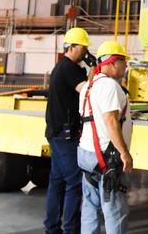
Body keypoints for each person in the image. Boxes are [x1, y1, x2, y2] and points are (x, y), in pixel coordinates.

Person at [77, 41, 134, 234]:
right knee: (115, 210)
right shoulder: (110, 86)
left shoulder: (88, 87)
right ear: (111, 62)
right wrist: (124, 153)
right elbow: (111, 122)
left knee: (90, 207)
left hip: (86, 154)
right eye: (123, 61)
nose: (125, 66)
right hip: (105, 158)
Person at [44, 26, 91, 234]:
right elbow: (88, 91)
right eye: (83, 48)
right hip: (64, 134)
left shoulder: (63, 67)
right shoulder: (69, 68)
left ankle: (52, 228)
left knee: (57, 180)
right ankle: (71, 229)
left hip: (57, 131)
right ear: (72, 47)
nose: (85, 52)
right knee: (74, 181)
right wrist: (97, 70)